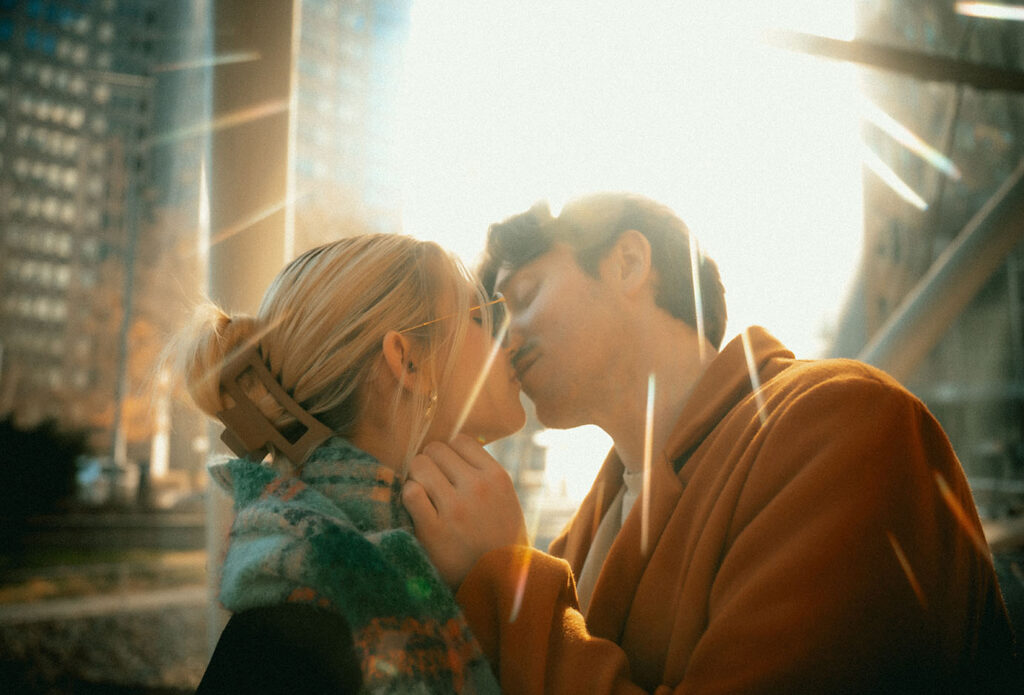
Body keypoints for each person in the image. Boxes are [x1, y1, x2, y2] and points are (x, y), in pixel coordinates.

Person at [402, 193, 1020, 693]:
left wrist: (507, 578)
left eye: (526, 296)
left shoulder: (846, 422)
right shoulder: (590, 524)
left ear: (628, 263)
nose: (504, 343)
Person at [176, 233, 527, 694]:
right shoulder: (294, 642)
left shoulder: (319, 590)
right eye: (481, 318)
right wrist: (511, 574)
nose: (514, 338)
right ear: (408, 361)